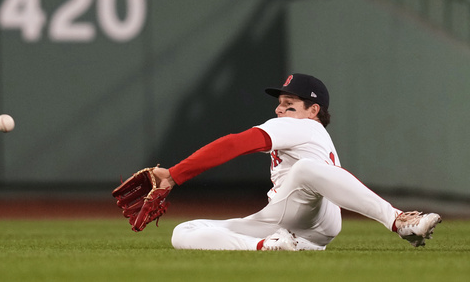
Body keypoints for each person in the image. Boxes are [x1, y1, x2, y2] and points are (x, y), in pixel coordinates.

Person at [152, 73, 441, 251]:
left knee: (304, 170)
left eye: (290, 104)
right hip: (314, 225)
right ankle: (271, 247)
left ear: (313, 110)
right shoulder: (311, 131)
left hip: (296, 212)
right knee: (184, 232)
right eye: (279, 103)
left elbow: (234, 144)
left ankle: (399, 220)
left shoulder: (300, 125)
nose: (280, 109)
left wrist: (174, 175)